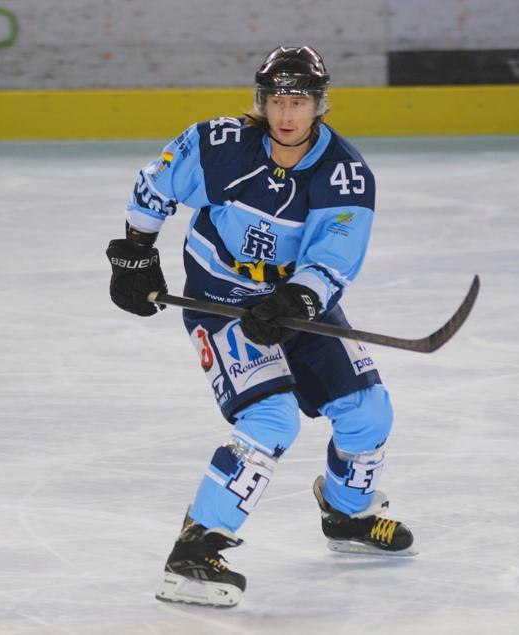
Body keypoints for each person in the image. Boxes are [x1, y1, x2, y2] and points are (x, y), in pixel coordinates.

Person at [106, 45, 415, 608]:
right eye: (277, 101)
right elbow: (155, 185)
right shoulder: (220, 145)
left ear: (320, 105)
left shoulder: (344, 174)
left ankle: (347, 514)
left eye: (299, 102)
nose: (287, 114)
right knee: (271, 418)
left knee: (369, 410)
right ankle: (195, 549)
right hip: (219, 299)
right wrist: (135, 254)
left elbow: (333, 262)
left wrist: (297, 299)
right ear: (262, 102)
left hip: (295, 305)